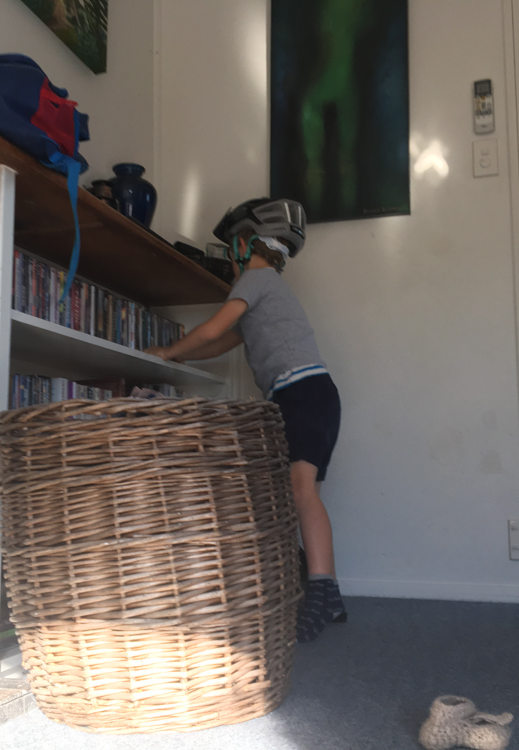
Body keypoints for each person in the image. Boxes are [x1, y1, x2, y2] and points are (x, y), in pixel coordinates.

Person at [145, 197, 345, 643]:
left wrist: (170, 352)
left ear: (247, 243)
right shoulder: (266, 291)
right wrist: (181, 355)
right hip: (311, 395)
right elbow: (222, 342)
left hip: (302, 393)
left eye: (234, 244)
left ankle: (321, 592)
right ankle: (329, 592)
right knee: (304, 493)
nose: (232, 254)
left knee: (301, 492)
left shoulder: (256, 279)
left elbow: (213, 329)